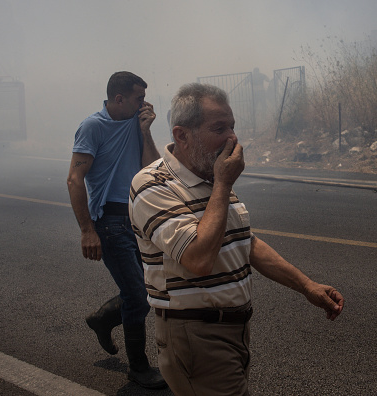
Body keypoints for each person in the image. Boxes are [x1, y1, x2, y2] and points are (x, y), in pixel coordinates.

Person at [129, 83, 344, 395]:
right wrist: (223, 182)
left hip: (232, 331)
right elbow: (199, 258)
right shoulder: (152, 185)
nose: (232, 138)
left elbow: (246, 243)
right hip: (195, 335)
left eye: (232, 127)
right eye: (219, 128)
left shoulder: (212, 177)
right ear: (182, 135)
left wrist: (306, 285)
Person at [66, 71, 165, 389]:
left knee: (145, 291)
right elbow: (74, 178)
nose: (144, 104)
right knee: (138, 296)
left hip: (137, 219)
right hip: (109, 222)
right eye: (138, 99)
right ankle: (138, 368)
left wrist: (146, 130)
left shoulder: (136, 123)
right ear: (119, 98)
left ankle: (104, 318)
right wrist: (87, 231)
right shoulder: (93, 126)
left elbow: (152, 171)